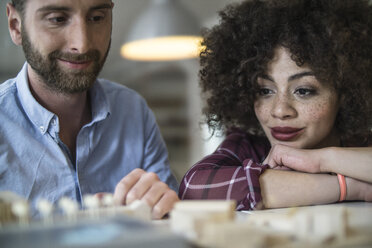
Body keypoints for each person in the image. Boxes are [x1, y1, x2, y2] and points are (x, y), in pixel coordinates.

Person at [179, 0, 372, 210]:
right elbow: (193, 187)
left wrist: (321, 160)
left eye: (304, 91)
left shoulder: (361, 143)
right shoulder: (249, 146)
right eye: (265, 91)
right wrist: (349, 187)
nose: (280, 111)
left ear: (346, 92)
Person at [0, 0, 179, 219]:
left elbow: (169, 226)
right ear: (16, 25)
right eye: (57, 19)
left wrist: (166, 211)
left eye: (97, 18)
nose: (82, 44)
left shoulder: (133, 111)